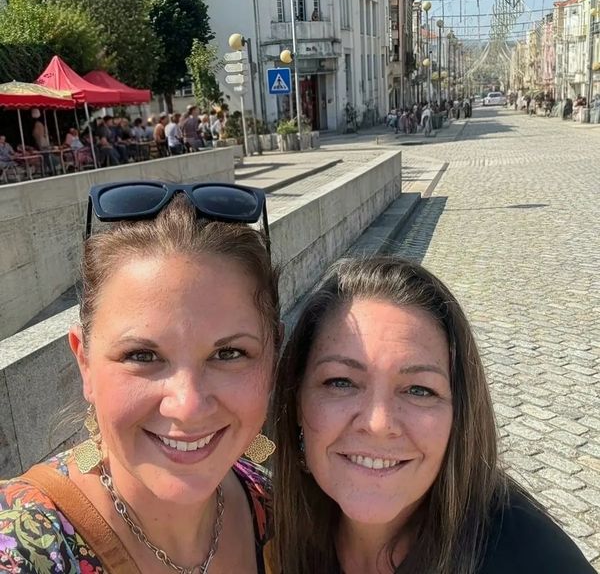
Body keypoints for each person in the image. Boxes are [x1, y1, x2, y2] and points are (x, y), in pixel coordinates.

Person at [0, 180, 279, 573]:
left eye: (228, 353)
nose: (188, 406)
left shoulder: (269, 503)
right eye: (142, 355)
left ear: (273, 357)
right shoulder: (27, 546)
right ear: (85, 363)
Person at [270, 256, 595, 574]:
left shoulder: (536, 560)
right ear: (296, 400)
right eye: (341, 382)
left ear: (460, 413)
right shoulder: (270, 528)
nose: (378, 423)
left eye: (419, 390)